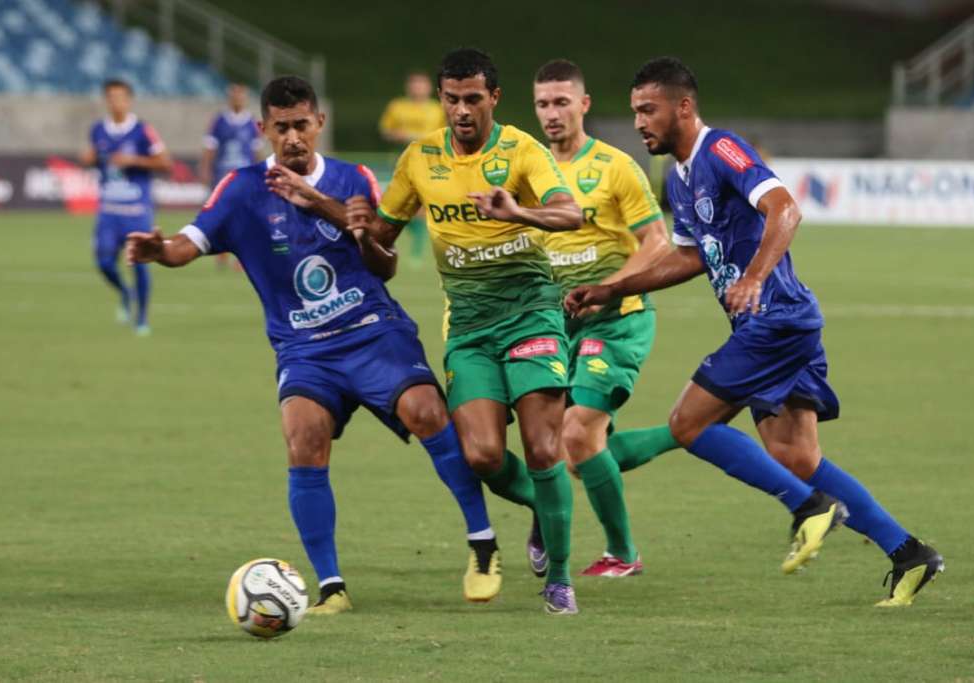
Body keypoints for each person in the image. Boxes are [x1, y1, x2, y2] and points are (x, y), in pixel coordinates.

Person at [567, 57, 944, 606]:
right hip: (784, 323)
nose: (640, 122)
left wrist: (753, 277)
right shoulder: (678, 177)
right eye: (635, 112)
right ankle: (908, 552)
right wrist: (612, 289)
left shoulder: (720, 150)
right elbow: (690, 258)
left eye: (649, 109)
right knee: (796, 454)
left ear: (684, 106)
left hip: (774, 318)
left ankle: (807, 508)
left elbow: (784, 208)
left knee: (688, 424)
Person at [126, 75, 502, 615]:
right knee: (302, 436)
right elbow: (190, 243)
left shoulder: (354, 179)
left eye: (302, 124)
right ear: (264, 130)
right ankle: (331, 587)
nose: (293, 137)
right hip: (305, 352)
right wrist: (158, 249)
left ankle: (483, 543)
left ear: (319, 122)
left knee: (425, 410)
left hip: (373, 332)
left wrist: (337, 214)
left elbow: (386, 264)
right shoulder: (240, 190)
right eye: (281, 128)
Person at [349, 48, 585, 615]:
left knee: (541, 446)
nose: (461, 110)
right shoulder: (419, 159)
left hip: (531, 313)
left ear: (493, 99)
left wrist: (518, 213)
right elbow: (383, 253)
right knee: (480, 454)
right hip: (471, 327)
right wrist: (362, 234)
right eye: (451, 99)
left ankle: (559, 576)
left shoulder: (521, 150)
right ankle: (544, 510)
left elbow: (570, 213)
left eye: (472, 99)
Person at [532, 59, 680, 577]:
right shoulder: (532, 171)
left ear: (584, 104)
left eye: (561, 102)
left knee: (575, 435)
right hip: (558, 326)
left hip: (618, 318)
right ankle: (690, 429)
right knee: (580, 449)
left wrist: (608, 289)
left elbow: (657, 243)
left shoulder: (615, 167)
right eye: (543, 104)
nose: (552, 114)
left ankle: (623, 553)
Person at [80, 78, 171, 336]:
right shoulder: (98, 129)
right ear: (106, 100)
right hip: (108, 211)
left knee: (141, 264)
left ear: (129, 100)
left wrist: (134, 160)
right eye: (111, 97)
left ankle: (141, 317)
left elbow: (165, 162)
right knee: (104, 263)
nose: (116, 102)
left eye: (120, 97)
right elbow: (92, 157)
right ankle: (124, 292)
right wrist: (88, 159)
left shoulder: (143, 130)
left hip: (136, 211)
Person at [378, 71, 446, 269]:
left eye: (421, 84)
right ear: (409, 87)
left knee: (423, 207)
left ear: (428, 87)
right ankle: (391, 244)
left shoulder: (437, 108)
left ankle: (416, 253)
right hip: (401, 162)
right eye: (414, 84)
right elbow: (385, 131)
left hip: (428, 161)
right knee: (397, 205)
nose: (417, 88)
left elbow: (444, 134)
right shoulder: (397, 106)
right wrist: (396, 135)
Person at [199, 83, 262, 270]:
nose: (237, 98)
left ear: (245, 97)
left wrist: (260, 173)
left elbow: (256, 150)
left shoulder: (251, 123)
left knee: (245, 217)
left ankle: (241, 256)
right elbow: (210, 147)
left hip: (244, 178)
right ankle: (222, 252)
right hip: (223, 176)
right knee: (222, 215)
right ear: (229, 97)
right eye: (234, 94)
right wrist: (205, 167)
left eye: (241, 95)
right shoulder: (219, 121)